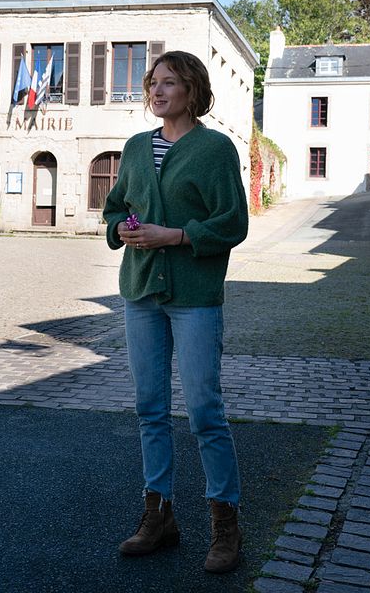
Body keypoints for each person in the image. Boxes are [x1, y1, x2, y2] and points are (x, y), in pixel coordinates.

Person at [102, 51, 248, 574]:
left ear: (193, 90)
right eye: (153, 83)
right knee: (150, 409)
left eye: (170, 83)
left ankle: (224, 523)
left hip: (194, 297)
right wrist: (120, 229)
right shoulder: (137, 148)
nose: (157, 92)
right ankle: (158, 515)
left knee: (205, 411)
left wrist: (179, 235)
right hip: (140, 292)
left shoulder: (215, 150)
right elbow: (116, 206)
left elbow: (232, 223)